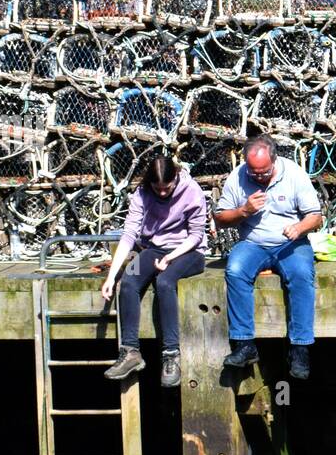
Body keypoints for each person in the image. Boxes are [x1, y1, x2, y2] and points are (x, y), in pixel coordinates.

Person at [213, 134, 323, 379]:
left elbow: (316, 217)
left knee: (302, 274)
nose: (258, 177)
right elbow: (220, 220)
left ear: (274, 160)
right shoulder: (238, 176)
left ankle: (300, 348)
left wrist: (299, 228)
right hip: (253, 242)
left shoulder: (294, 174)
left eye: (263, 172)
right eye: (254, 172)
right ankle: (244, 345)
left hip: (290, 243)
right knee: (235, 270)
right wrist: (244, 210)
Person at [101, 156, 209, 387]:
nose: (161, 193)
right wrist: (111, 277)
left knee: (165, 282)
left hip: (189, 251)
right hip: (153, 250)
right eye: (156, 188)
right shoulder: (141, 193)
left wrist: (170, 257)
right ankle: (130, 352)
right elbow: (129, 234)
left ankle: (171, 355)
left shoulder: (192, 190)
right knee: (128, 282)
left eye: (166, 188)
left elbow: (196, 235)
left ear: (175, 178)